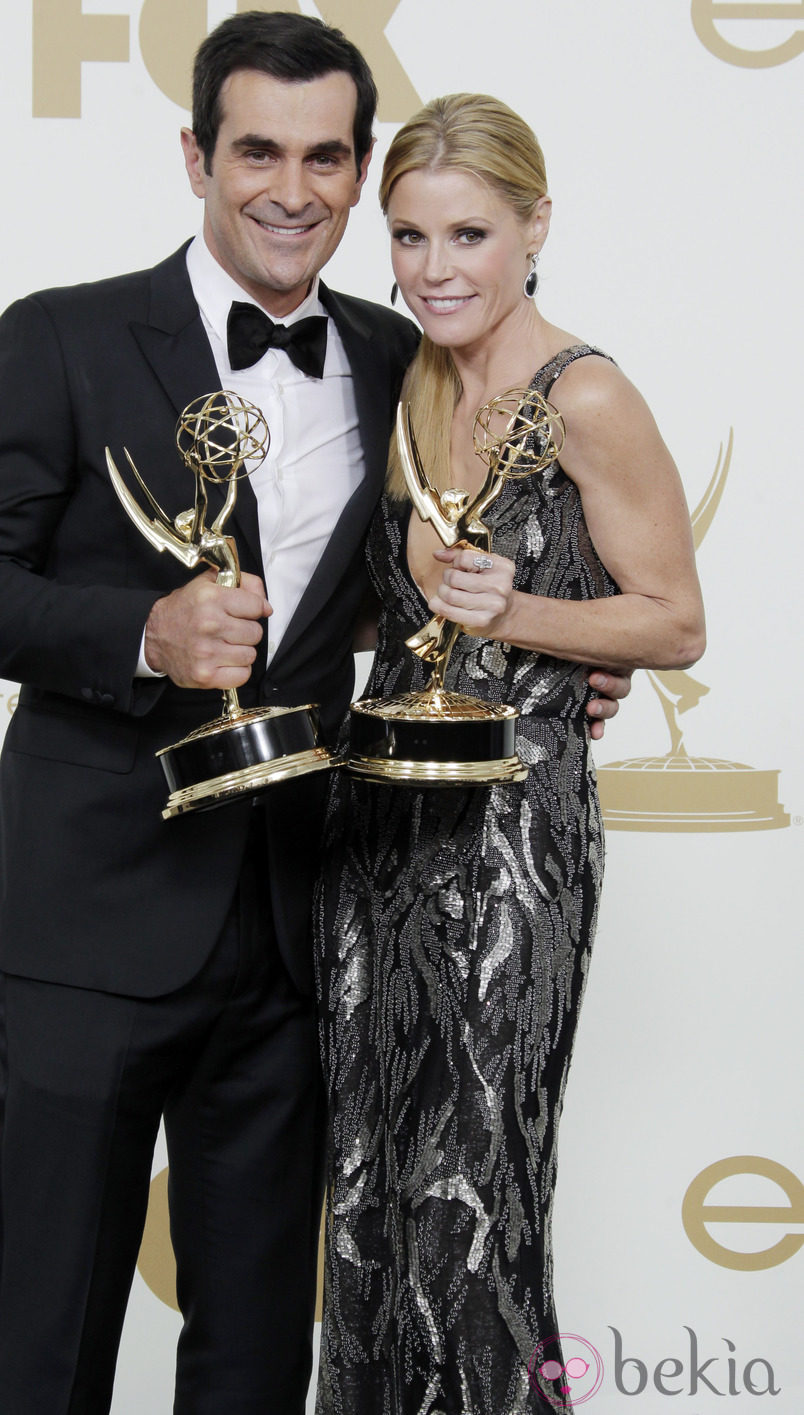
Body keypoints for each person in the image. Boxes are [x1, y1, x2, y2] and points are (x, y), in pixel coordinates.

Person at [0, 14, 628, 1412]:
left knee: (252, 1353)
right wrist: (140, 630)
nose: (290, 189)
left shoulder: (399, 355)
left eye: (324, 156)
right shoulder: (58, 336)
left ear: (361, 175)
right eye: (256, 151)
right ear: (196, 156)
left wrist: (572, 660)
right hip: (91, 910)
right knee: (50, 1336)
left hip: (307, 922)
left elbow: (457, 566)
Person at [314, 93, 705, 1415]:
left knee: (481, 1190)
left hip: (512, 846)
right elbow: (378, 614)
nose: (436, 271)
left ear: (535, 227)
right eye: (411, 238)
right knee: (368, 1191)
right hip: (374, 841)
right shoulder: (409, 379)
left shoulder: (585, 393)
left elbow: (675, 617)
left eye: (468, 235)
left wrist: (525, 619)